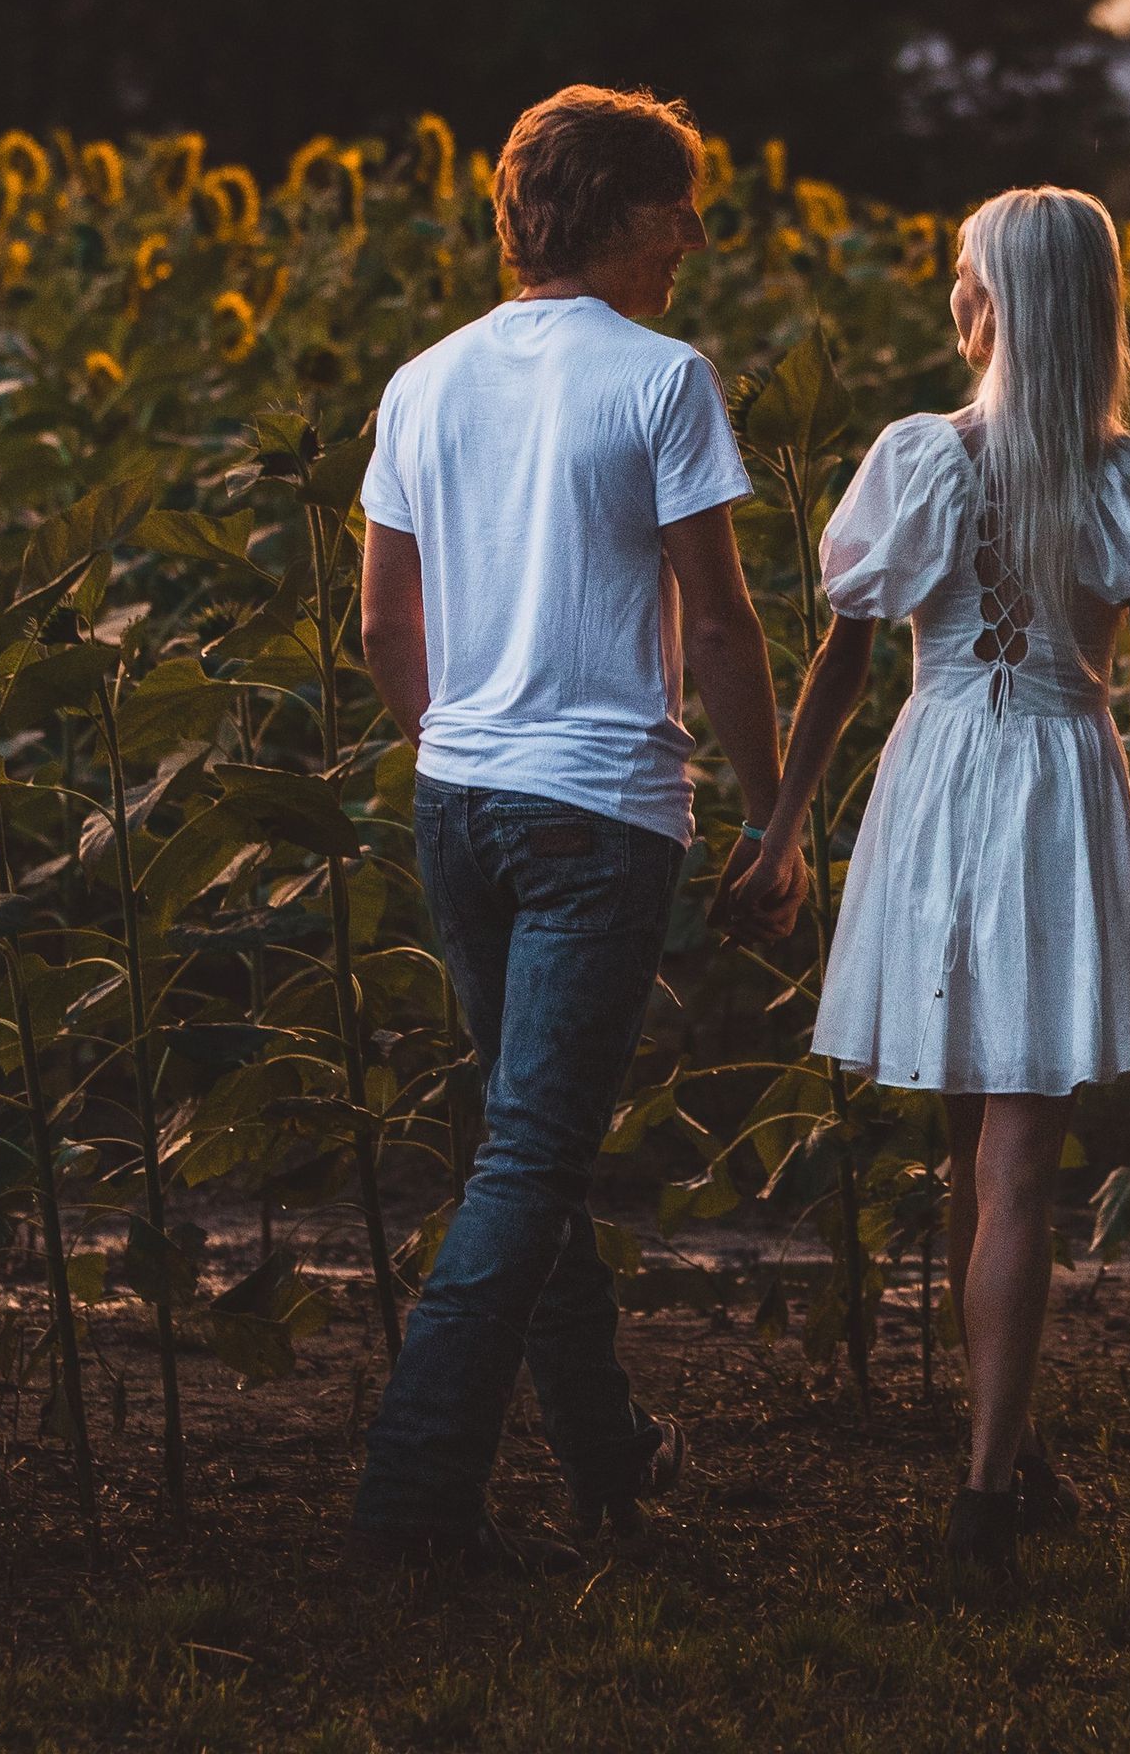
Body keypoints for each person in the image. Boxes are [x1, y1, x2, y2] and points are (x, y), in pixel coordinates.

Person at [733, 187, 1130, 1582]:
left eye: (963, 276)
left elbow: (840, 660)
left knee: (981, 1149)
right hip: (1064, 778)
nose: (953, 297)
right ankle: (996, 1475)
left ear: (995, 301)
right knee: (1008, 1155)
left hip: (943, 774)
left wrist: (781, 828)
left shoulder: (921, 458)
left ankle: (993, 1469)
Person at [352, 83, 806, 1571]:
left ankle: (608, 1451)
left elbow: (380, 622)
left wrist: (451, 743)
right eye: (677, 202)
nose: (693, 232)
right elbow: (727, 631)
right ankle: (413, 1504)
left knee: (519, 1147)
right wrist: (775, 821)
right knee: (532, 1159)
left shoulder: (423, 381)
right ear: (615, 207)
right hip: (599, 809)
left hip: (459, 798)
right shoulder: (663, 379)